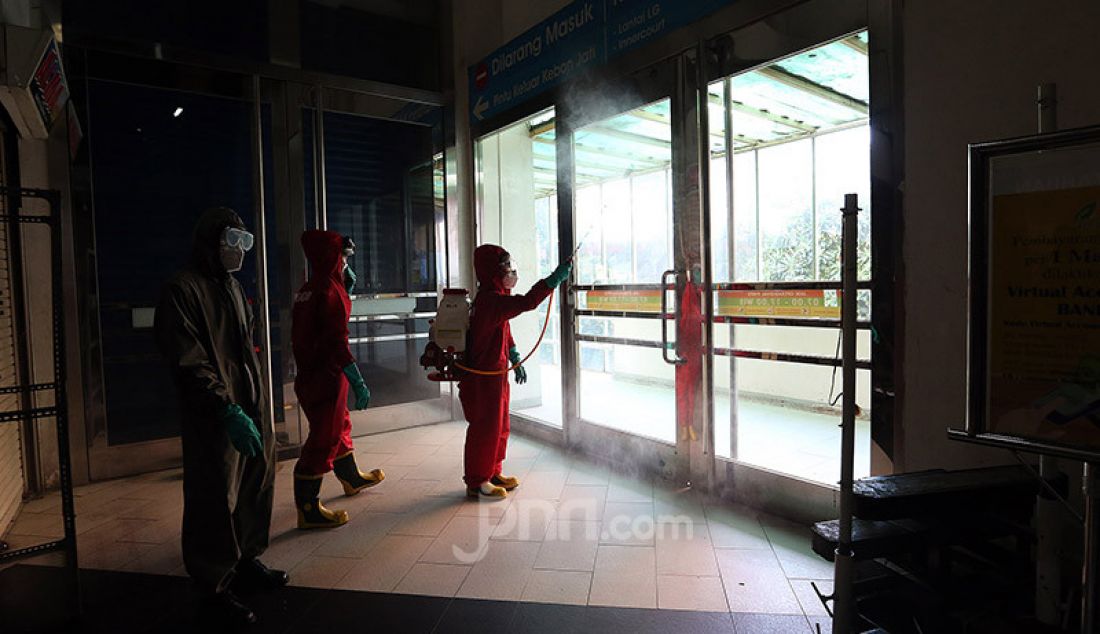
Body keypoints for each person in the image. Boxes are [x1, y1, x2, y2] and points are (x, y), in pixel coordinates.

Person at [154, 207, 286, 627]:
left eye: (244, 242)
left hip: (249, 404)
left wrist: (253, 403)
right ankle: (212, 585)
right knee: (214, 495)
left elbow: (243, 348)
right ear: (210, 241)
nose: (238, 250)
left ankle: (246, 560)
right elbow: (189, 361)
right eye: (232, 240)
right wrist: (224, 407)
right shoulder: (182, 290)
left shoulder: (230, 286)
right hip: (214, 412)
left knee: (256, 481)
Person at [459, 244, 571, 498]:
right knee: (485, 428)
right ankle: (478, 480)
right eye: (506, 268)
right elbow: (528, 302)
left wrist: (513, 353)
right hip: (484, 377)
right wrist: (552, 280)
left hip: (496, 373)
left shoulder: (494, 299)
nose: (511, 273)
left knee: (499, 424)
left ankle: (492, 470)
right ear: (492, 272)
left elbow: (502, 329)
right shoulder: (490, 300)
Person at [291, 230, 384, 528]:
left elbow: (319, 325)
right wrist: (356, 378)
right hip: (327, 374)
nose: (345, 262)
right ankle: (308, 508)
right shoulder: (330, 291)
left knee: (339, 424)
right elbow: (335, 340)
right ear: (331, 256)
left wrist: (347, 291)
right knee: (324, 438)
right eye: (343, 256)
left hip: (312, 372)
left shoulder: (311, 287)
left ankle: (350, 477)